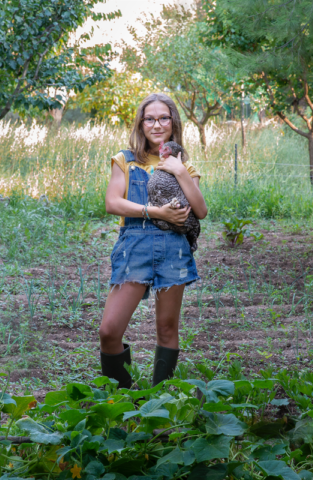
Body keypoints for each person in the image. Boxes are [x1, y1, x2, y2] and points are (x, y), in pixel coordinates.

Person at [99, 93, 208, 389]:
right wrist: (155, 211)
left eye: (163, 118)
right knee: (109, 331)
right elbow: (112, 202)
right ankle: (121, 398)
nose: (156, 124)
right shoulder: (126, 160)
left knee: (167, 328)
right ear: (141, 123)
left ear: (173, 122)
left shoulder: (185, 166)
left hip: (173, 247)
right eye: (150, 118)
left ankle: (159, 404)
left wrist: (180, 170)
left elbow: (200, 210)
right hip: (134, 246)